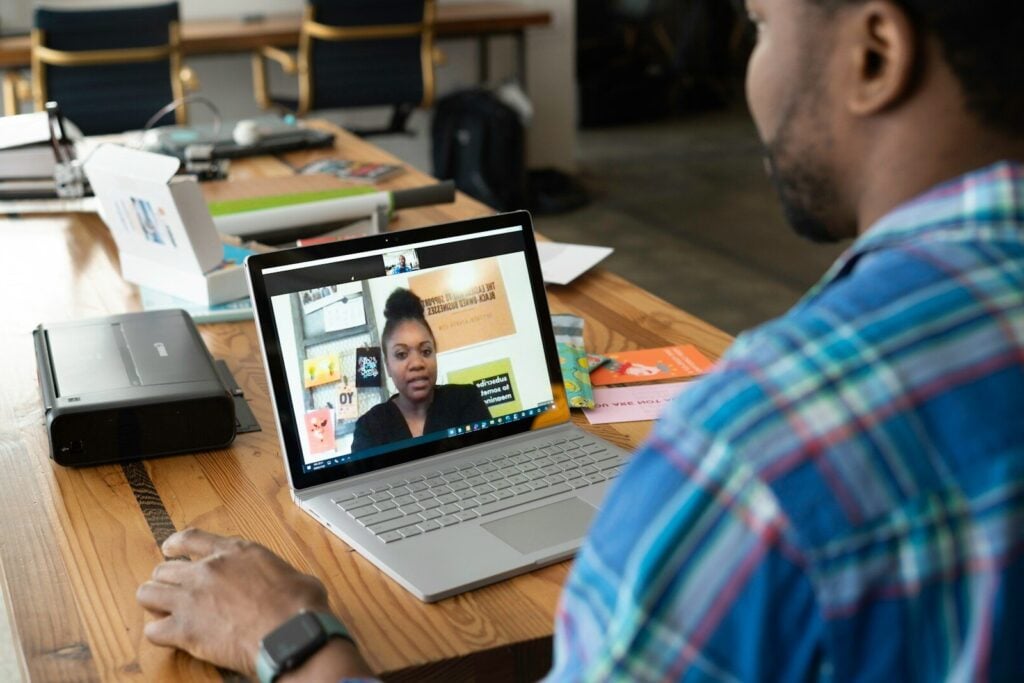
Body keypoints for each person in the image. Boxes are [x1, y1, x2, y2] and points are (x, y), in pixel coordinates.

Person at [137, 0, 1024, 679]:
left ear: (874, 53)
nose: (751, 73)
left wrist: (293, 637)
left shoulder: (764, 450)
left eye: (758, 24)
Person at [350, 288, 490, 452]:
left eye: (426, 351)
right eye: (401, 354)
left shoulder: (466, 401)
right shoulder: (369, 428)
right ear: (387, 365)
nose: (417, 363)